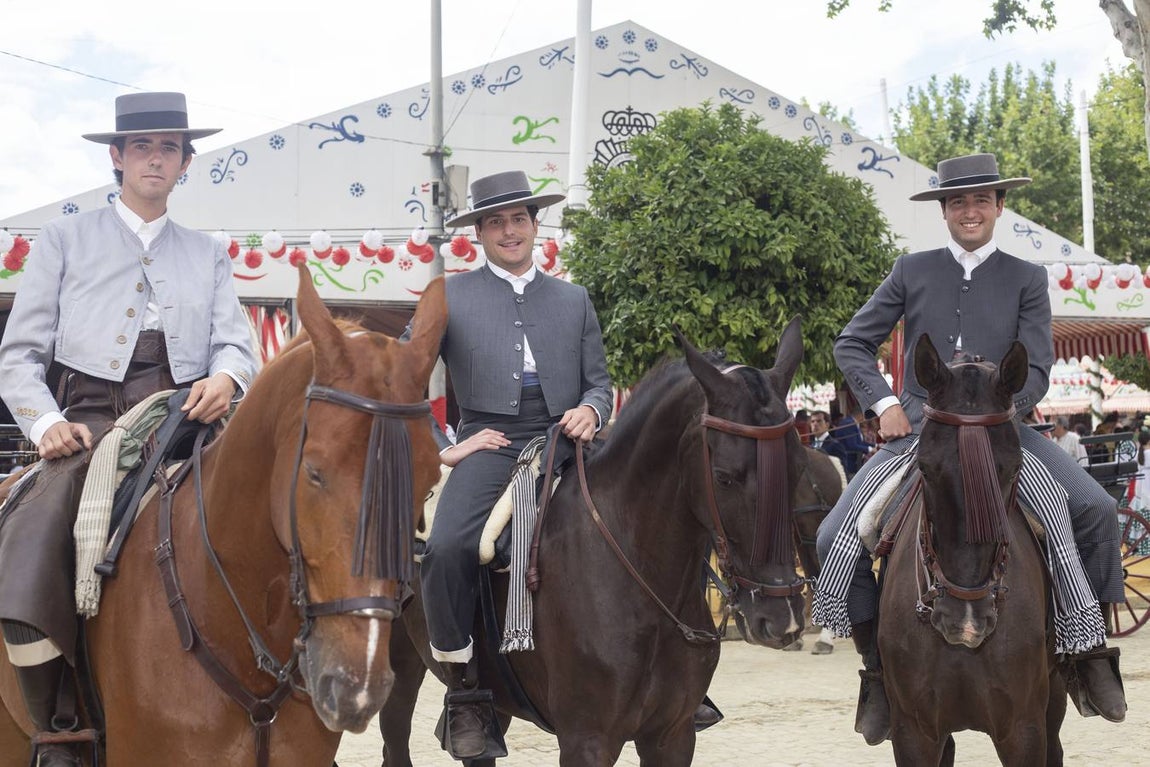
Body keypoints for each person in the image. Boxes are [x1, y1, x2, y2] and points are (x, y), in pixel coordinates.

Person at [813, 153, 1127, 746]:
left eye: (981, 199)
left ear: (999, 206)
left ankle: (1085, 653)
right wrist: (885, 404)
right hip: (922, 435)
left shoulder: (1026, 277)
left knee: (1095, 509)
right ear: (945, 211)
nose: (970, 210)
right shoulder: (911, 270)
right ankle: (877, 671)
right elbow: (852, 343)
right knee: (834, 535)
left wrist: (1000, 411)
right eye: (958, 201)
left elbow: (1038, 367)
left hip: (1005, 433)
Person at [0, 92, 258, 766]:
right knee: (30, 532)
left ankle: (289, 699)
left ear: (186, 163)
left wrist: (228, 378)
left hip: (186, 417)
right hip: (87, 423)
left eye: (169, 148)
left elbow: (237, 344)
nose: (155, 158)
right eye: (142, 146)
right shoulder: (62, 239)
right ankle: (56, 720)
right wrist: (47, 422)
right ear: (116, 157)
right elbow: (18, 356)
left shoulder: (208, 253)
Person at [418, 170, 613, 759]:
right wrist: (444, 445)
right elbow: (399, 378)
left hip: (568, 442)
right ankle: (465, 693)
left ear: (535, 224)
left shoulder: (574, 299)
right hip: (491, 444)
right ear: (478, 233)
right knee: (447, 547)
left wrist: (591, 410)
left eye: (519, 219)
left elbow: (599, 384)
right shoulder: (448, 295)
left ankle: (674, 672)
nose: (510, 231)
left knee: (651, 512)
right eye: (496, 222)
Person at [828, 402, 874, 477]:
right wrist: (870, 449)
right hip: (849, 462)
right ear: (860, 414)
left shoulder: (853, 422)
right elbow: (852, 445)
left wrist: (874, 445)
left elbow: (859, 442)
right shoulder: (849, 423)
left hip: (855, 460)